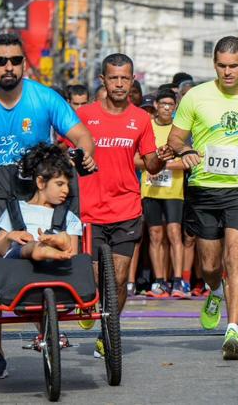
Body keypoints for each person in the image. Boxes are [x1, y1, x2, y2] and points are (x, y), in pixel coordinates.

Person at [0, 33, 96, 382]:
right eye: (0, 61)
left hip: (37, 184)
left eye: (14, 60)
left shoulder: (45, 97)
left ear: (24, 64)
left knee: (47, 254)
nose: (8, 67)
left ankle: (48, 329)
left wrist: (85, 152)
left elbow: (81, 135)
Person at [168, 36, 238, 360]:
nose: (227, 72)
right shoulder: (195, 96)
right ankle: (215, 291)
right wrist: (185, 150)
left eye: (233, 66)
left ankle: (233, 329)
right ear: (214, 64)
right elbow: (175, 137)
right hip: (204, 188)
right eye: (221, 66)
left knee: (236, 254)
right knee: (209, 265)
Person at [76, 54, 171, 357]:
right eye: (113, 78)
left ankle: (108, 331)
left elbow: (151, 165)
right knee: (95, 280)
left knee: (118, 279)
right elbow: (67, 154)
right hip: (89, 209)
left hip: (126, 208)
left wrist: (161, 158)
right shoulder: (84, 115)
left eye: (125, 78)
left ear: (132, 81)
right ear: (103, 80)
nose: (119, 84)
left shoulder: (141, 119)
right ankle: (88, 303)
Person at [0, 143, 82, 262]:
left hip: (56, 264)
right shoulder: (16, 211)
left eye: (67, 185)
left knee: (64, 242)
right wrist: (9, 237)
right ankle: (41, 248)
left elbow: (73, 258)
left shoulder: (69, 217)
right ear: (40, 182)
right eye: (60, 184)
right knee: (30, 246)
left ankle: (57, 242)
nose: (66, 190)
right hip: (19, 262)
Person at [142, 88, 189, 298]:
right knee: (155, 234)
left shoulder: (181, 130)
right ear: (156, 106)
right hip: (150, 189)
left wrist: (162, 164)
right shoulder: (147, 127)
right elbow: (138, 158)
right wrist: (153, 164)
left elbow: (189, 161)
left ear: (175, 107)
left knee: (174, 233)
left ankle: (178, 281)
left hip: (173, 191)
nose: (167, 108)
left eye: (171, 105)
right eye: (163, 104)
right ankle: (159, 282)